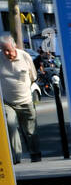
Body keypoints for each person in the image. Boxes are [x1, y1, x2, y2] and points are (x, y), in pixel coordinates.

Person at [0, 34, 40, 163]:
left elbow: (33, 76)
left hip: (26, 100)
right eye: (3, 49)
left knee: (30, 130)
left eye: (8, 49)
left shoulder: (25, 56)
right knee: (10, 126)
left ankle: (35, 155)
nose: (6, 53)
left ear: (14, 46)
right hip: (8, 102)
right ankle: (16, 158)